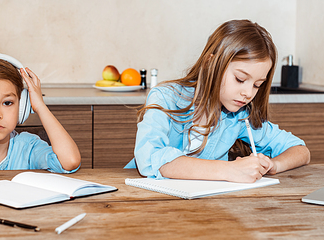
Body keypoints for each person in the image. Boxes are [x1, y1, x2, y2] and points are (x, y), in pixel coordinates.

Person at [125, 19, 310, 182]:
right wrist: (230, 170)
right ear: (210, 63)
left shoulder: (239, 116)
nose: (248, 93)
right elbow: (149, 157)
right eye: (240, 79)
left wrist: (272, 165)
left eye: (257, 85)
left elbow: (300, 150)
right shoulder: (165, 97)